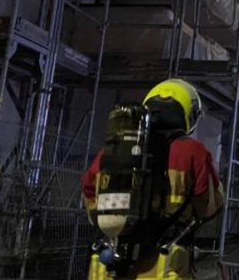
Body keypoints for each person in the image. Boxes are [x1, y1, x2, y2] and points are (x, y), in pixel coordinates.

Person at [83, 79, 224, 280]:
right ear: (187, 114)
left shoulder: (110, 153)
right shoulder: (192, 152)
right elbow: (209, 207)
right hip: (160, 268)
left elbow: (90, 200)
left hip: (106, 268)